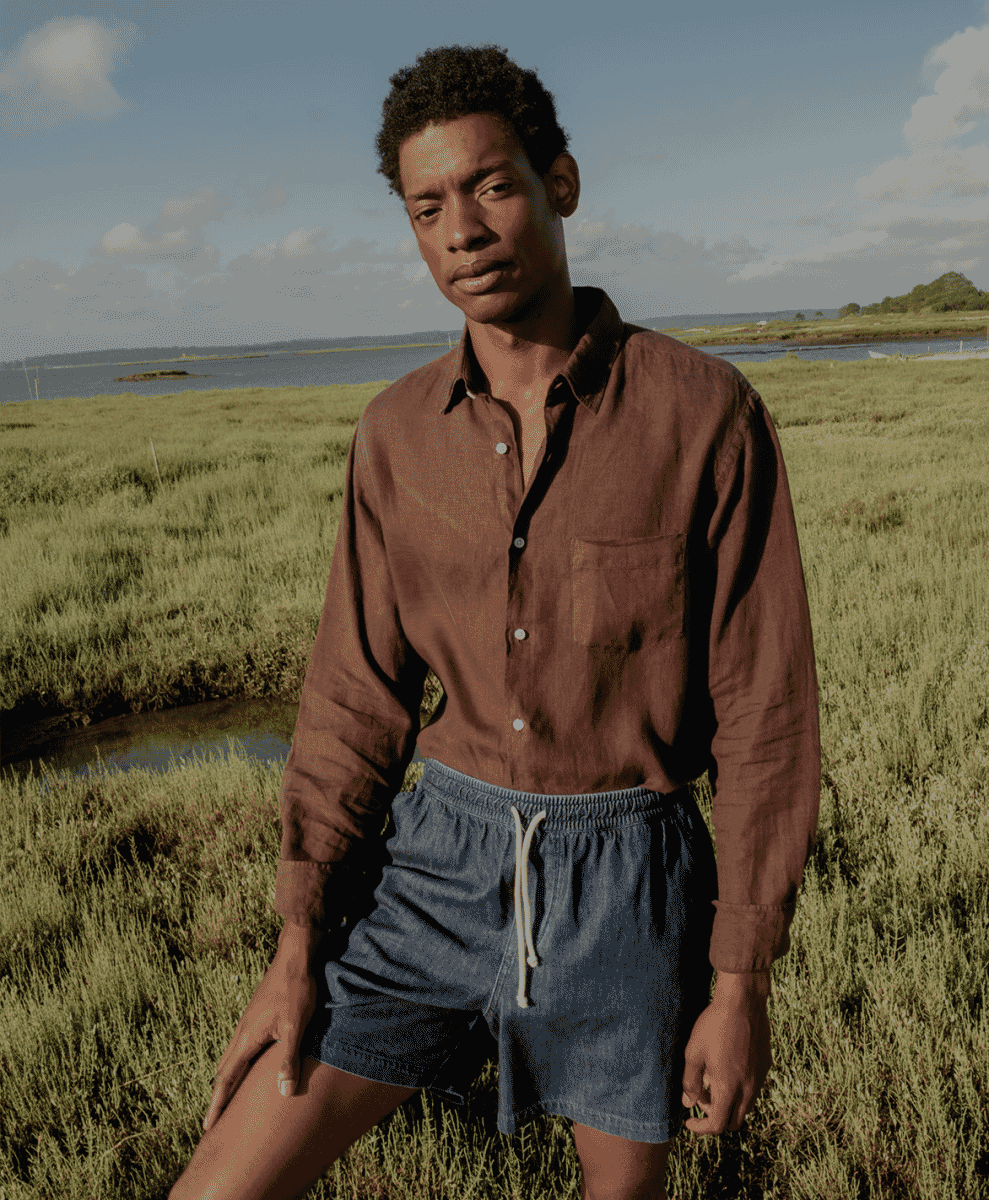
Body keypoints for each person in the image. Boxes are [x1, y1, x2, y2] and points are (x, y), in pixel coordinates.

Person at [170, 43, 820, 1200]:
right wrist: (296, 947)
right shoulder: (395, 434)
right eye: (428, 206)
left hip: (628, 881)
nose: (461, 228)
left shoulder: (701, 413)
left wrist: (737, 987)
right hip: (432, 865)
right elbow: (352, 701)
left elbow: (766, 718)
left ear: (558, 184)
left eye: (491, 186)